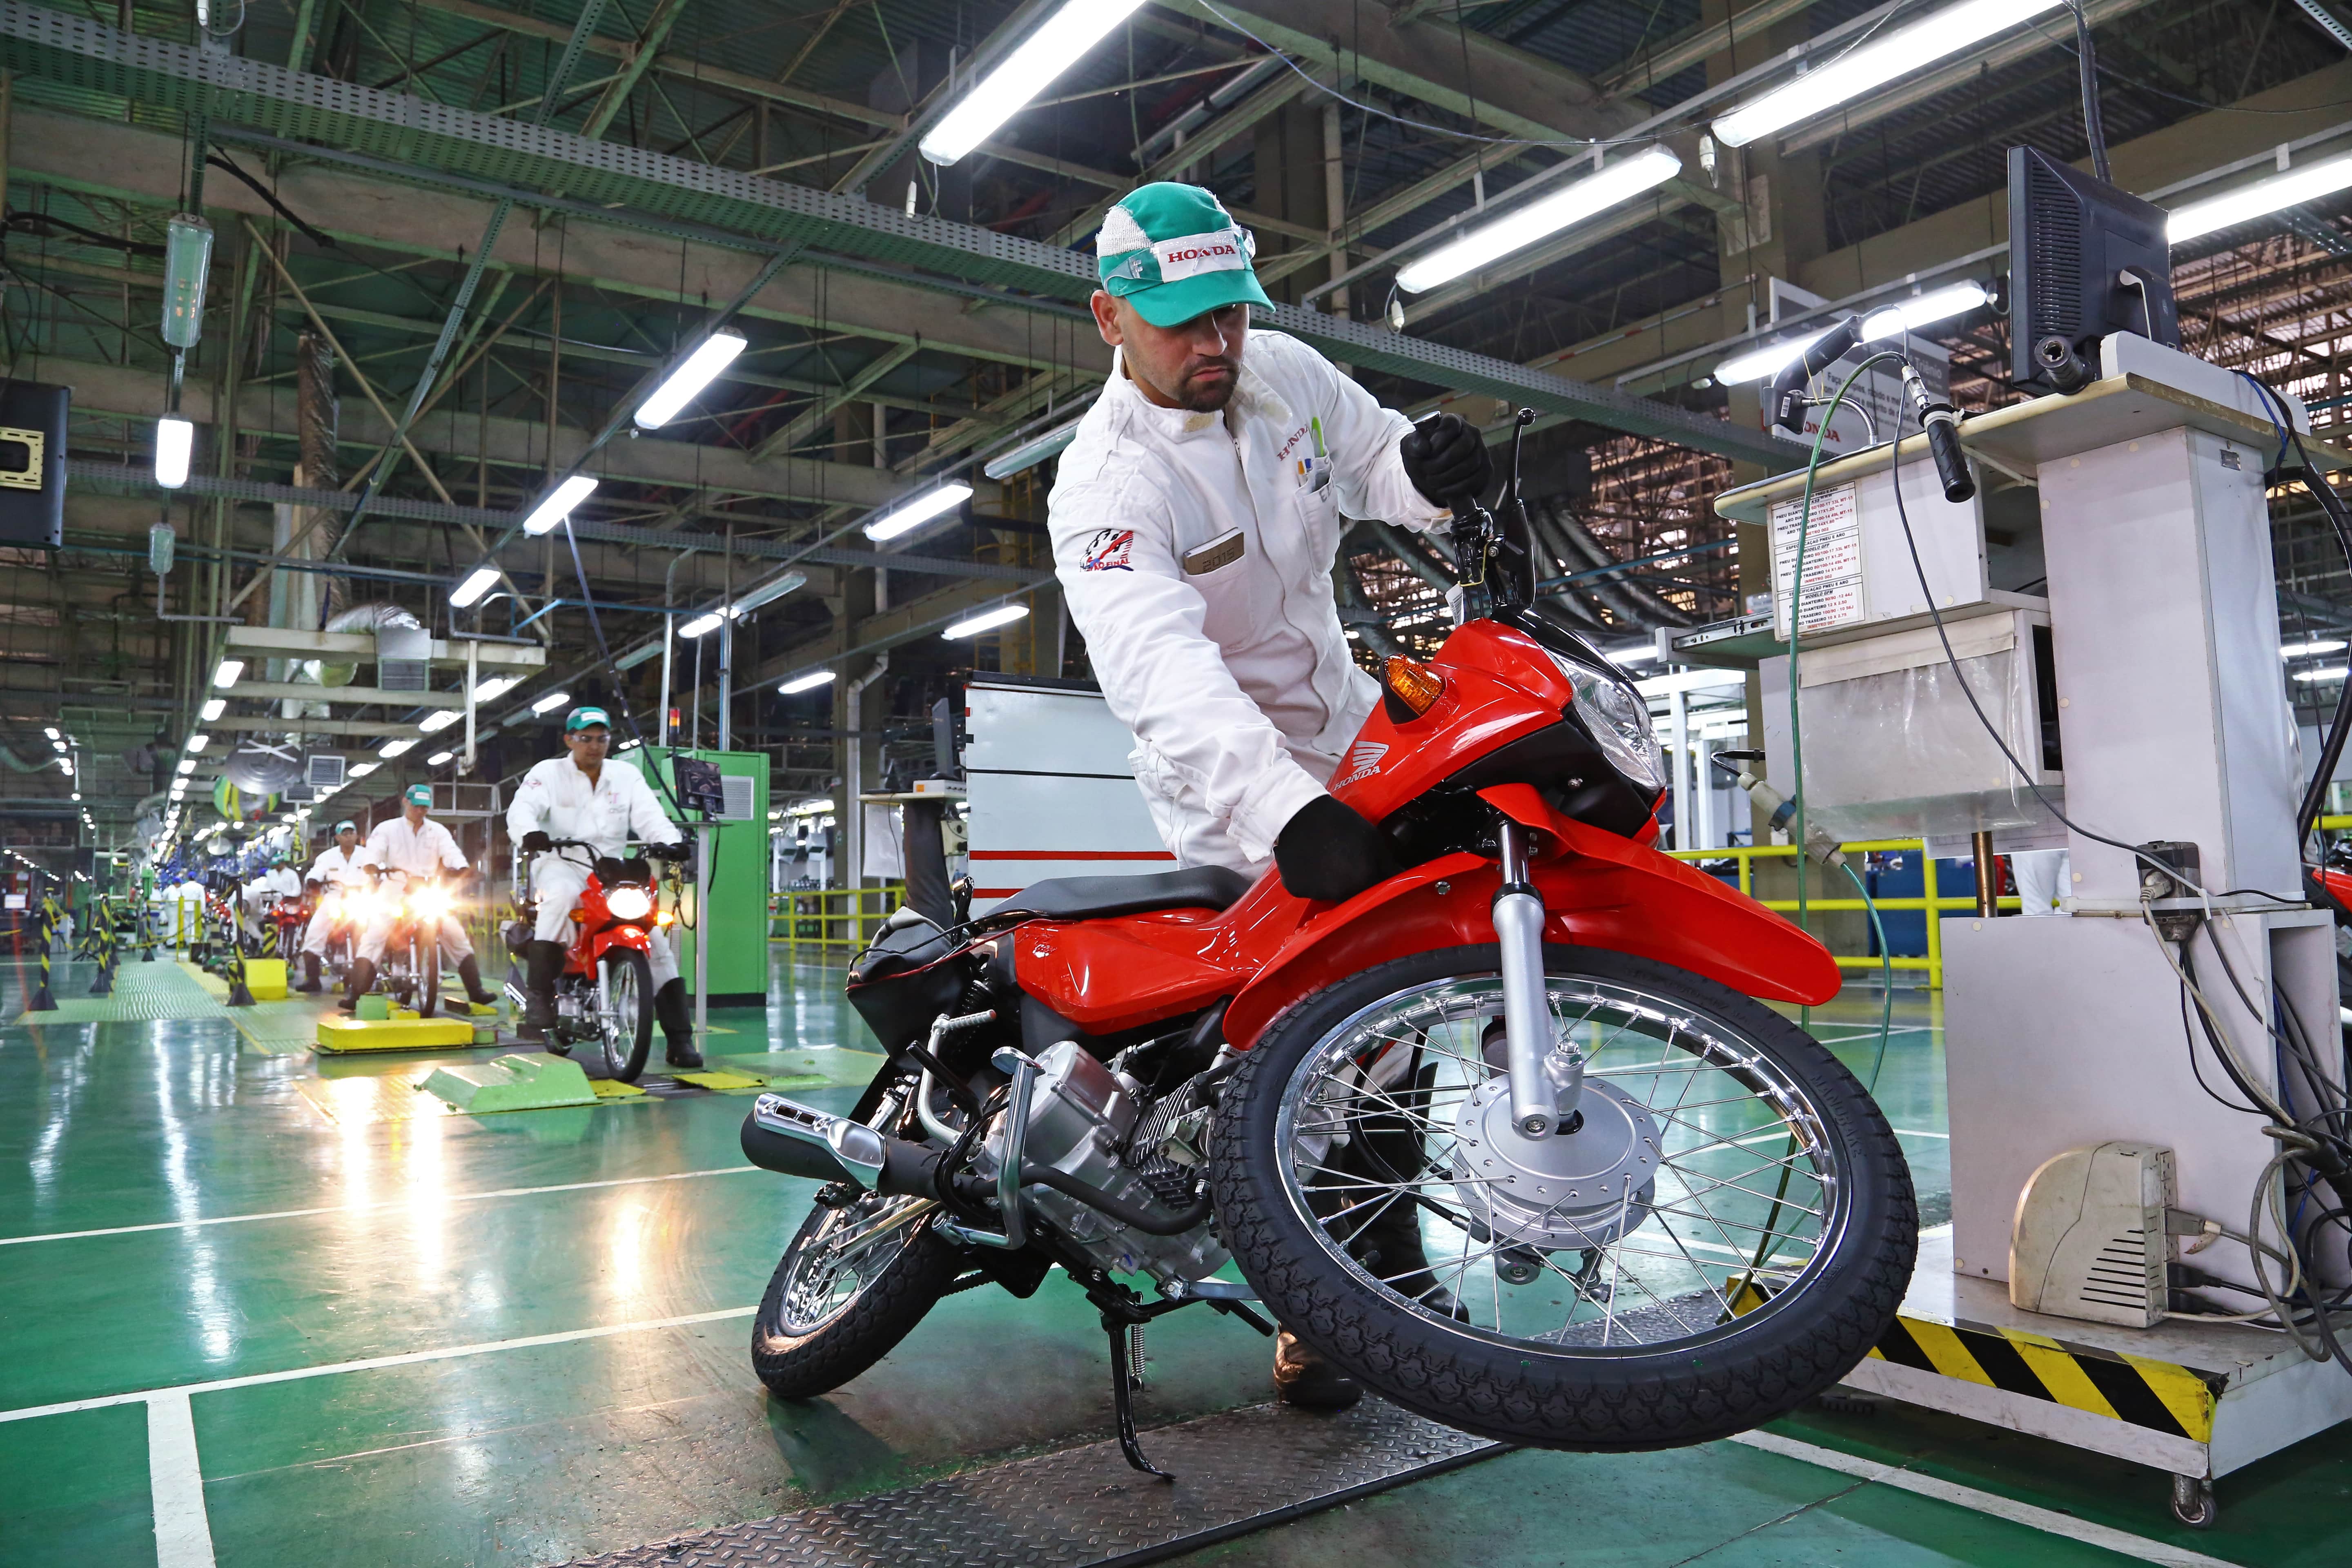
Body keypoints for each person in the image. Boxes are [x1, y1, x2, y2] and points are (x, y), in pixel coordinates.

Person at [1048, 182, 1493, 1413]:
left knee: (1406, 1007)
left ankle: (1385, 1258)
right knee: (1299, 1041)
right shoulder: (1104, 488)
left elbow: (1376, 468)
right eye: (1186, 323)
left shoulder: (1283, 372)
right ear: (1109, 318)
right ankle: (1309, 1300)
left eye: (1231, 315)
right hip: (1225, 782)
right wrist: (1287, 819)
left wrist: (1429, 465)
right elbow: (1166, 679)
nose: (1217, 346)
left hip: (1351, 720)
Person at [506, 706, 699, 1069]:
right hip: (560, 864)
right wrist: (529, 833)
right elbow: (522, 809)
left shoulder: (625, 776)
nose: (594, 746)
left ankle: (680, 1040)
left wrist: (670, 842)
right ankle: (540, 996)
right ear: (569, 740)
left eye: (602, 738)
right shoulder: (547, 773)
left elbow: (650, 817)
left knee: (657, 944)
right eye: (586, 739)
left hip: (610, 870)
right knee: (560, 899)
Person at [346, 784, 497, 1010]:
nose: (421, 811)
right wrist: (370, 864)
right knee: (375, 935)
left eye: (425, 808)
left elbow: (451, 851)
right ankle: (356, 995)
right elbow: (375, 849)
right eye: (417, 806)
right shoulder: (387, 828)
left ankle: (476, 991)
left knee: (455, 932)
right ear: (405, 801)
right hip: (394, 889)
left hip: (427, 889)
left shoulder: (438, 831)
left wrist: (461, 868)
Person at [294, 820, 373, 992]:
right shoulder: (327, 857)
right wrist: (313, 881)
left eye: (351, 833)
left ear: (357, 836)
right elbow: (316, 872)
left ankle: (377, 975)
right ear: (337, 837)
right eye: (344, 834)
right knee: (314, 933)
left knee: (377, 933)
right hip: (335, 898)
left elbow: (379, 870)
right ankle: (313, 979)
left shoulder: (369, 855)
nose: (349, 837)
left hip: (362, 898)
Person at [242, 855, 302, 950]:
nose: (276, 868)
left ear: (283, 864)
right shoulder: (270, 874)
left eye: (277, 865)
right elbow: (266, 887)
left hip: (289, 903)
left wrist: (289, 896)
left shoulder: (292, 874)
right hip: (273, 903)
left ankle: (298, 939)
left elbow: (297, 889)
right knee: (264, 920)